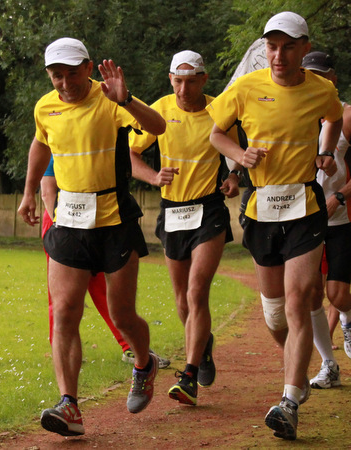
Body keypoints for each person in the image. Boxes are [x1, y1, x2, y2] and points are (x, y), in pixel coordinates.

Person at [17, 37, 166, 437]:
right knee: (65, 311)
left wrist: (126, 99)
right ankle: (69, 405)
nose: (65, 83)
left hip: (114, 222)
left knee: (122, 315)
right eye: (56, 76)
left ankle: (144, 364)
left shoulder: (109, 98)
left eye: (72, 74)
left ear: (87, 68)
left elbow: (158, 127)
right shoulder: (44, 107)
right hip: (68, 222)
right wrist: (29, 192)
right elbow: (40, 145)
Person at [208, 12, 343, 440]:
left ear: (305, 49)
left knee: (298, 300)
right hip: (262, 207)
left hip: (304, 204)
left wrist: (325, 151)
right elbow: (216, 134)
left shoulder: (321, 89)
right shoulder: (246, 88)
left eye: (287, 47)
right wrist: (239, 155)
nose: (278, 55)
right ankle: (298, 371)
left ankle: (288, 402)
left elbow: (334, 118)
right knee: (274, 315)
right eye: (271, 47)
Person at [129, 50, 239, 406]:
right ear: (170, 79)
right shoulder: (158, 110)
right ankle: (203, 346)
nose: (183, 89)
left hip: (209, 209)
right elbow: (129, 155)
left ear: (204, 80)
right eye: (177, 81)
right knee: (181, 299)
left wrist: (235, 177)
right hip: (173, 210)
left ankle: (189, 376)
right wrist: (153, 176)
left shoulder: (220, 110)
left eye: (191, 82)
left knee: (196, 291)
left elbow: (237, 153)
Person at [39, 157, 171, 369]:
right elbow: (47, 190)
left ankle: (129, 346)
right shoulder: (59, 144)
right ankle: (63, 350)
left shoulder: (96, 147)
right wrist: (60, 226)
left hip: (96, 223)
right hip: (63, 225)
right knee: (63, 297)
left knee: (102, 289)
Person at [300, 51, 351, 389]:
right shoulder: (293, 114)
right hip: (305, 219)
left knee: (337, 294)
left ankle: (348, 317)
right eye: (309, 74)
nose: (316, 80)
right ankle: (328, 365)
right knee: (312, 295)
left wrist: (340, 196)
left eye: (322, 74)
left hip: (342, 217)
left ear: (333, 79)